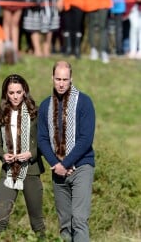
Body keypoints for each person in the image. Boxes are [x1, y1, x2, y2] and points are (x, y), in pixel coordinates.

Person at [37, 61, 96, 242]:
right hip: (58, 170)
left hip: (81, 166)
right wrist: (57, 164)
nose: (61, 83)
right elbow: (42, 139)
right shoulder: (46, 105)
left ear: (71, 79)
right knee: (64, 222)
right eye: (58, 79)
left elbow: (86, 139)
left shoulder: (84, 102)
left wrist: (66, 163)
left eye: (65, 79)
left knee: (79, 219)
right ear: (52, 78)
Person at [0, 74, 46, 239]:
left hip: (30, 170)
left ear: (25, 92)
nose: (15, 96)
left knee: (36, 221)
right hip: (8, 172)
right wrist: (3, 156)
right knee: (1, 218)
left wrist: (31, 153)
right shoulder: (2, 114)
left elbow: (44, 142)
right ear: (6, 94)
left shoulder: (35, 114)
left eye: (18, 92)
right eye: (11, 93)